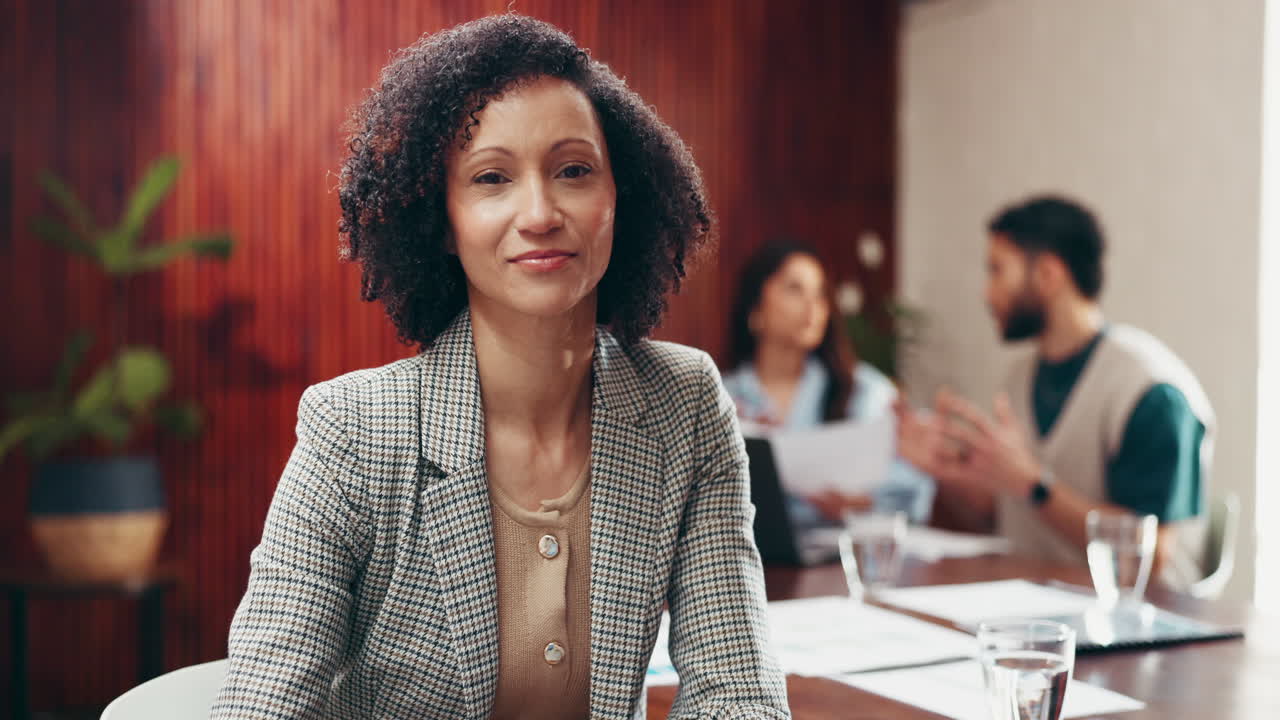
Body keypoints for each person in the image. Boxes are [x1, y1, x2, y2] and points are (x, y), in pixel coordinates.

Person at [211, 15, 789, 720]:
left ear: (619, 197)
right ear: (442, 221)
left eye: (574, 171)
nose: (540, 213)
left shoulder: (686, 403)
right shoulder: (353, 431)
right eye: (491, 178)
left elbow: (737, 690)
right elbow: (263, 704)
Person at [896, 195, 1214, 588]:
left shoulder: (1149, 392)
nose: (986, 293)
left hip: (1142, 626)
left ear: (1048, 274)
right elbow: (1004, 514)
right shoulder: (1018, 379)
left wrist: (1034, 485)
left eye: (997, 271)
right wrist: (943, 473)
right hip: (1037, 609)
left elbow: (1152, 555)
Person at [721, 240, 934, 525]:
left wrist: (863, 501)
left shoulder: (864, 390)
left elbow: (916, 486)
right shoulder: (720, 395)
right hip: (749, 555)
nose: (813, 306)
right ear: (755, 307)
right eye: (795, 289)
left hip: (839, 553)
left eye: (820, 294)